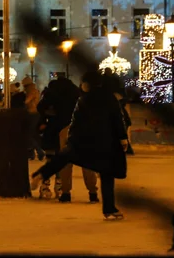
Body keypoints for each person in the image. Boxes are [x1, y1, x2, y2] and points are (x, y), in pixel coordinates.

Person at [33, 70, 128, 220]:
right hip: (105, 139)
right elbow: (117, 118)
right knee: (106, 173)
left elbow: (76, 121)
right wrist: (122, 138)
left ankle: (43, 175)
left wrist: (71, 139)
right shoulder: (108, 98)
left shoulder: (84, 99)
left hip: (83, 138)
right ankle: (107, 206)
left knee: (65, 158)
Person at [36, 73, 96, 202]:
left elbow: (40, 107)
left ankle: (65, 192)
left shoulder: (52, 92)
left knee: (65, 162)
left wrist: (50, 113)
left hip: (61, 128)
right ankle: (92, 192)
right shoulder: (77, 93)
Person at [21, 76, 46, 160]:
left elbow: (27, 101)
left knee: (28, 133)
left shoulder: (31, 91)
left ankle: (39, 151)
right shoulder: (34, 90)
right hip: (35, 113)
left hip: (32, 113)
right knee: (32, 133)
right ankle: (32, 153)